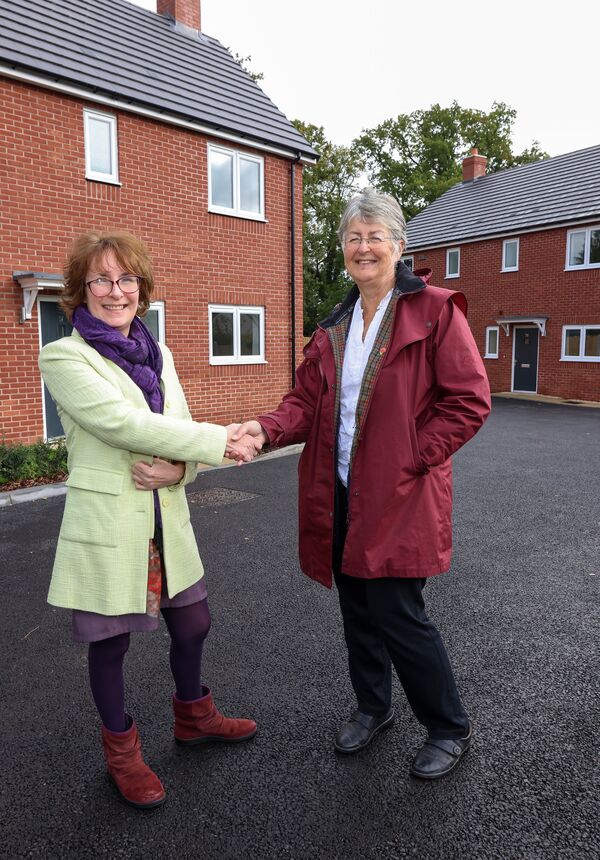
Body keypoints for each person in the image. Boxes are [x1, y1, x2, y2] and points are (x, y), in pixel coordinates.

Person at [233, 188, 491, 779]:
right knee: (357, 610)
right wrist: (262, 430)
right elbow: (303, 402)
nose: (364, 246)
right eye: (354, 237)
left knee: (399, 613)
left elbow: (469, 401)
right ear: (344, 250)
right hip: (341, 489)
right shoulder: (336, 325)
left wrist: (413, 454)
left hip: (401, 491)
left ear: (400, 246)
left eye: (376, 236)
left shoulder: (435, 311)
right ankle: (374, 708)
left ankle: (448, 726)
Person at [39, 231, 261, 809]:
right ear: (79, 291)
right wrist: (221, 440)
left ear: (142, 287)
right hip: (110, 519)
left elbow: (175, 432)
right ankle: (123, 753)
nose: (117, 291)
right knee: (110, 644)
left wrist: (181, 470)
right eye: (102, 280)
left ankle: (194, 717)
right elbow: (120, 425)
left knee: (193, 623)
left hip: (167, 515)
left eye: (127, 279)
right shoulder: (64, 356)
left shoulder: (158, 353)